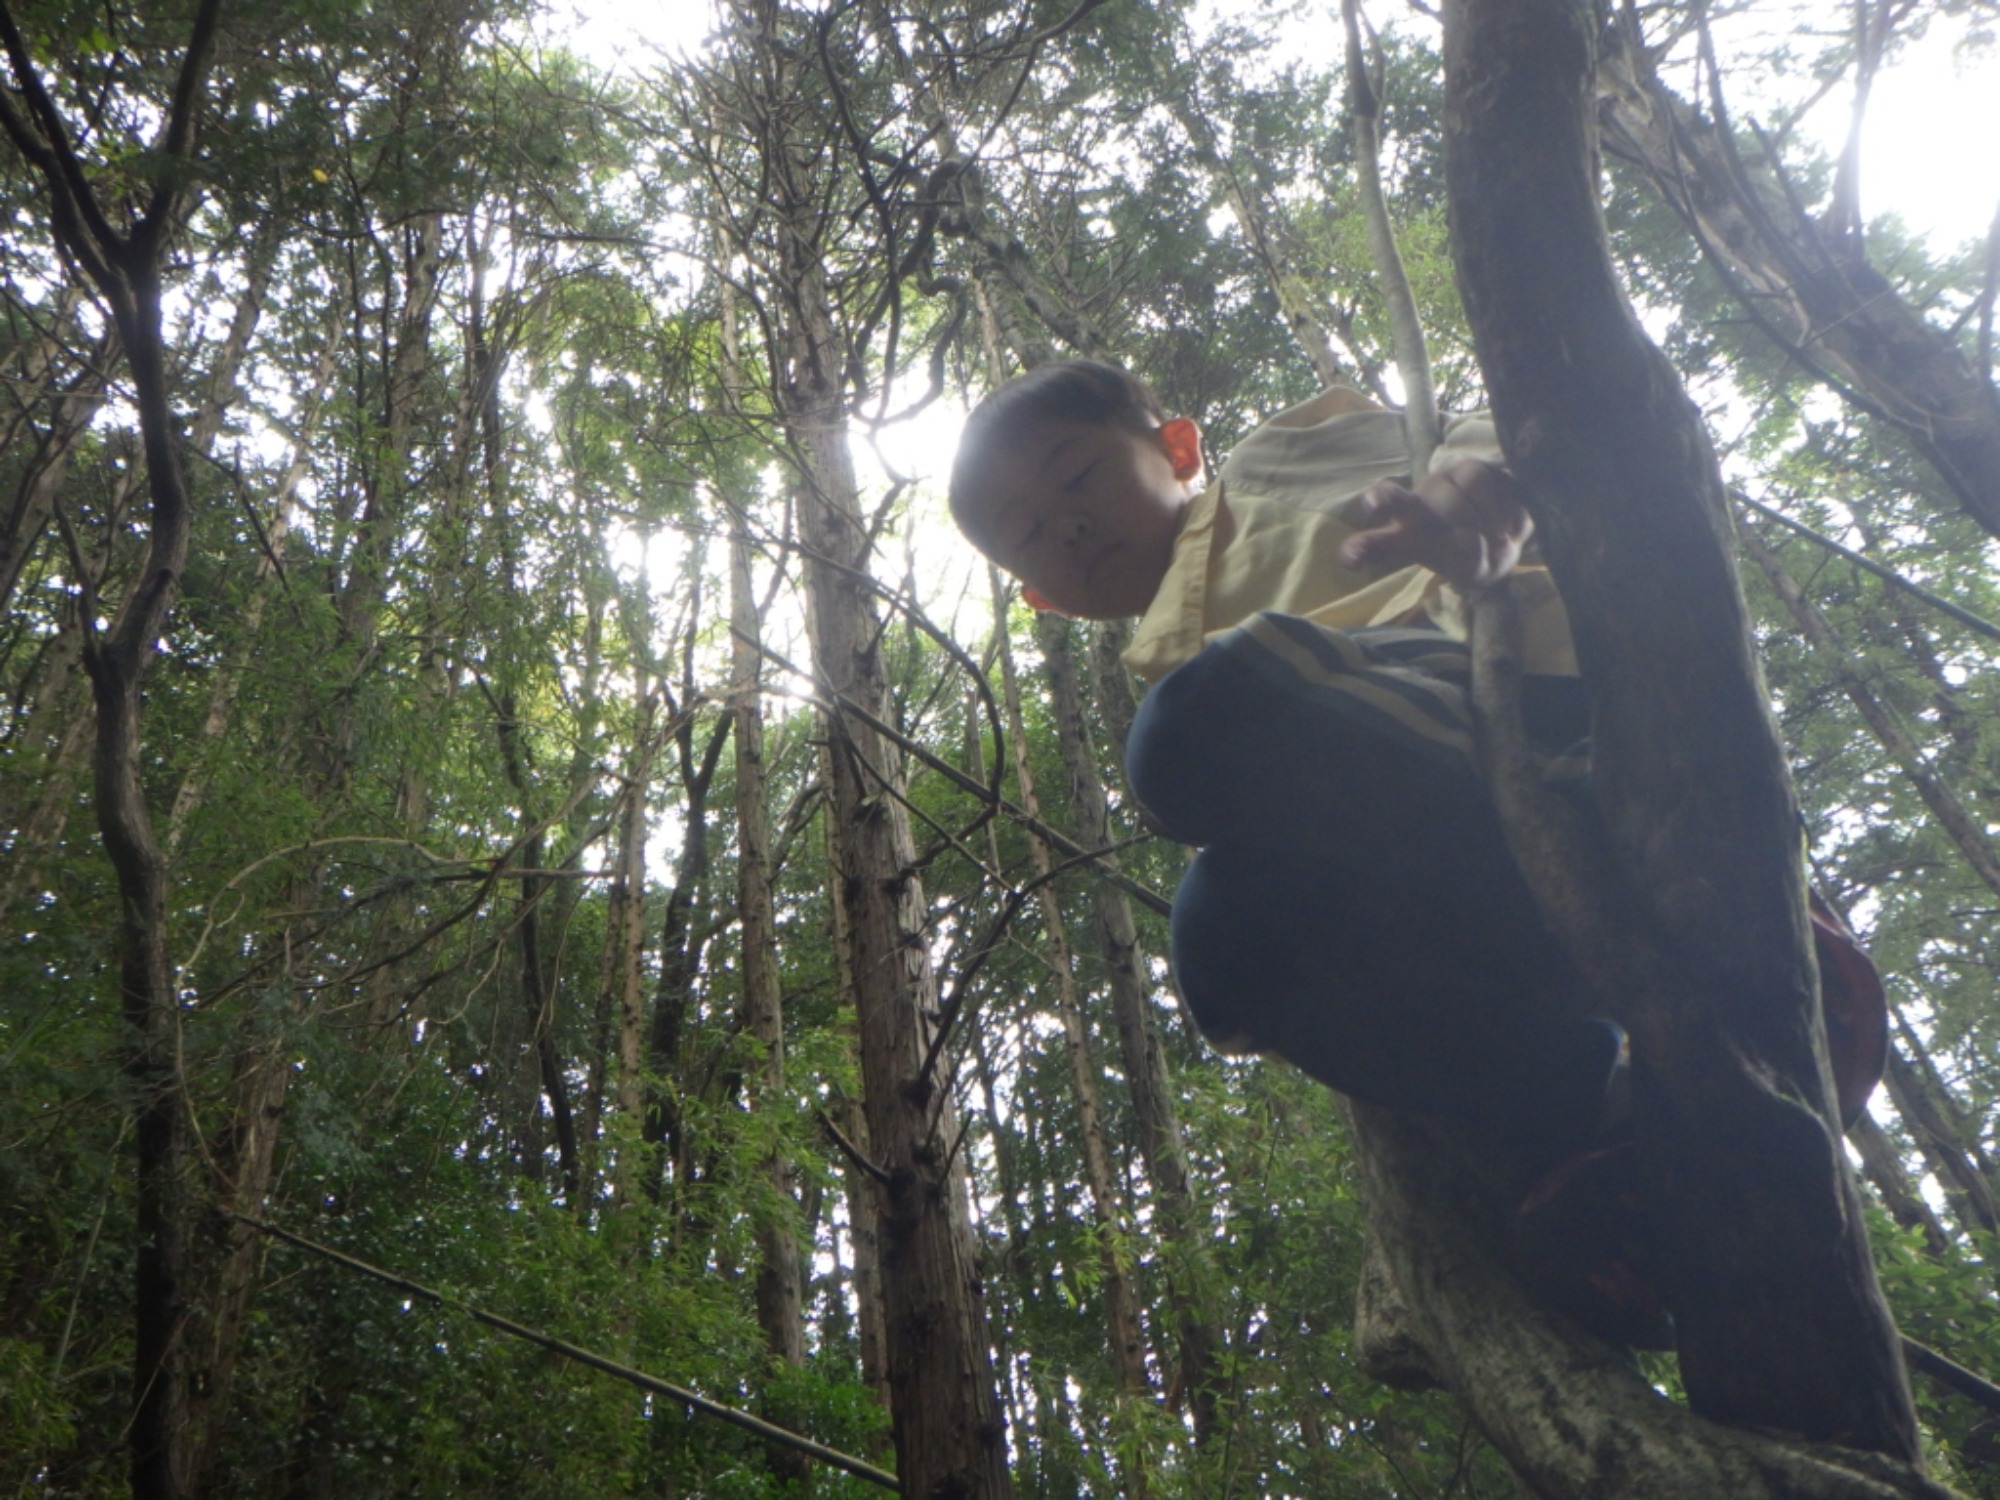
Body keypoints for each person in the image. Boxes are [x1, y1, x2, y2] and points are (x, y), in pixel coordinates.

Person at [949, 360, 1625, 1178]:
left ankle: (1568, 803)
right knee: (1220, 941)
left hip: (1519, 696)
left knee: (1188, 730)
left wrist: (1485, 490)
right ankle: (1577, 1103)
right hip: (1466, 877)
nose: (1070, 526)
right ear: (1041, 599)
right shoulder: (1177, 664)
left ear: (1179, 447)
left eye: (1080, 476)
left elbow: (1473, 436)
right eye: (1028, 533)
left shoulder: (1273, 466)